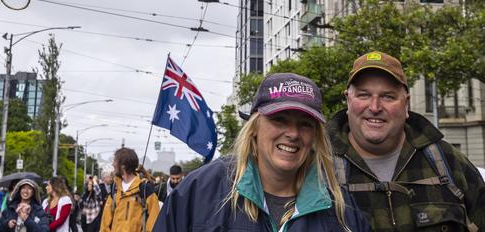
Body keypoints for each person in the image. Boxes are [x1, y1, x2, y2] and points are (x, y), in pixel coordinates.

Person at [154, 73, 370, 232]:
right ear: (255, 126)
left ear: (315, 135)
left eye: (305, 124)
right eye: (279, 120)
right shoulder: (200, 192)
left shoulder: (340, 207)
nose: (293, 134)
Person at [327, 51, 485, 232]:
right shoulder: (321, 170)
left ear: (406, 103)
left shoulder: (449, 162)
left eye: (388, 96)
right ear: (348, 100)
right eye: (364, 95)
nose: (375, 107)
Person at [99, 147, 160, 232]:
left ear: (123, 166)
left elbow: (154, 220)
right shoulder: (115, 188)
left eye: (115, 161)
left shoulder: (145, 189)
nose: (113, 164)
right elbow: (105, 222)